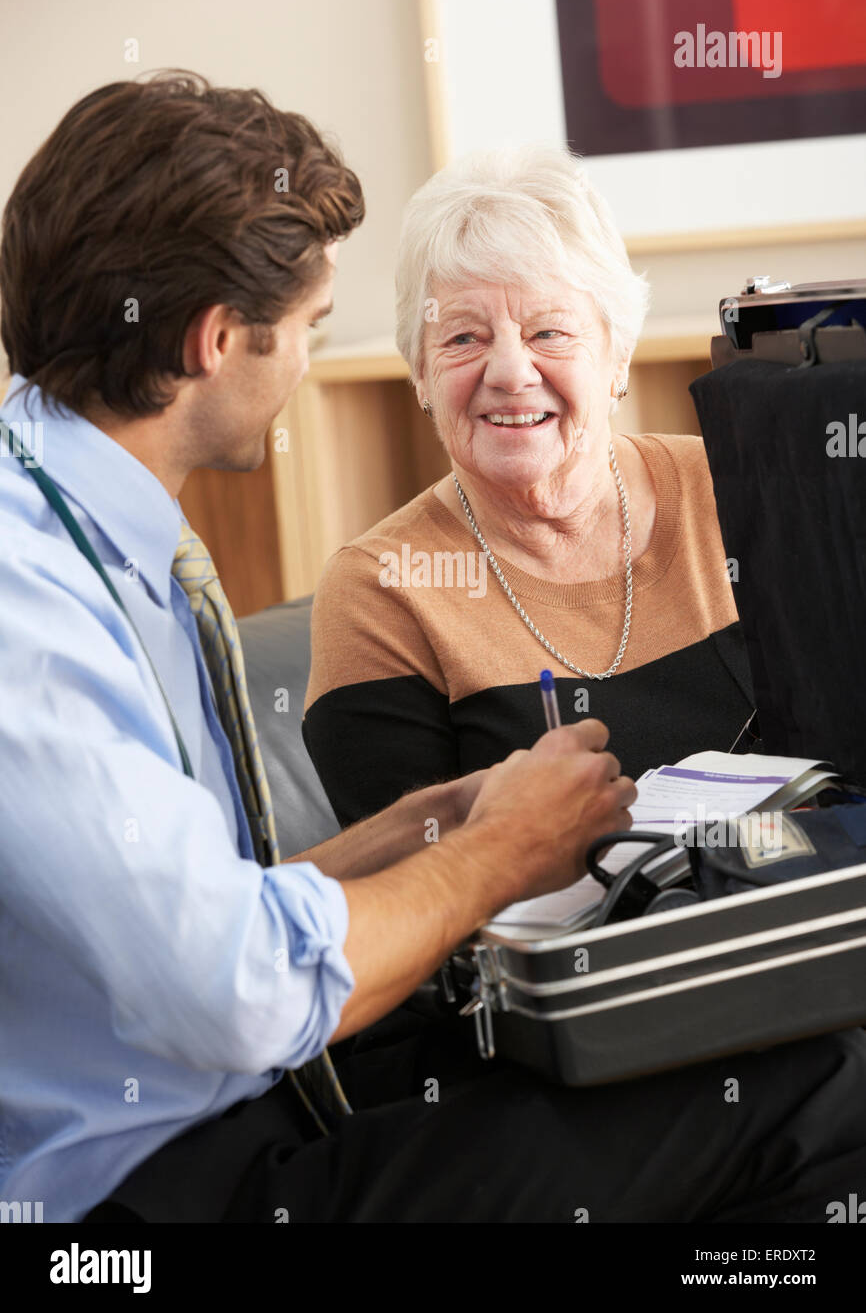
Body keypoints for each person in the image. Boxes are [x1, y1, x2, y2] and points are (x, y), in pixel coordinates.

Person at [2, 72, 864, 1226]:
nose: (306, 368)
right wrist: (497, 852)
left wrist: (442, 823)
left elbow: (206, 922)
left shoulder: (86, 533)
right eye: (311, 330)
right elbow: (241, 993)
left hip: (223, 1118)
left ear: (612, 350)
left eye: (550, 329)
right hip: (152, 1199)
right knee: (816, 1083)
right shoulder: (36, 611)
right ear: (218, 340)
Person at [303, 147, 754, 830]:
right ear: (421, 374)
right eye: (463, 337)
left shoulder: (737, 491)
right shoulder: (380, 591)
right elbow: (418, 886)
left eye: (549, 331)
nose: (511, 371)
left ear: (616, 354)